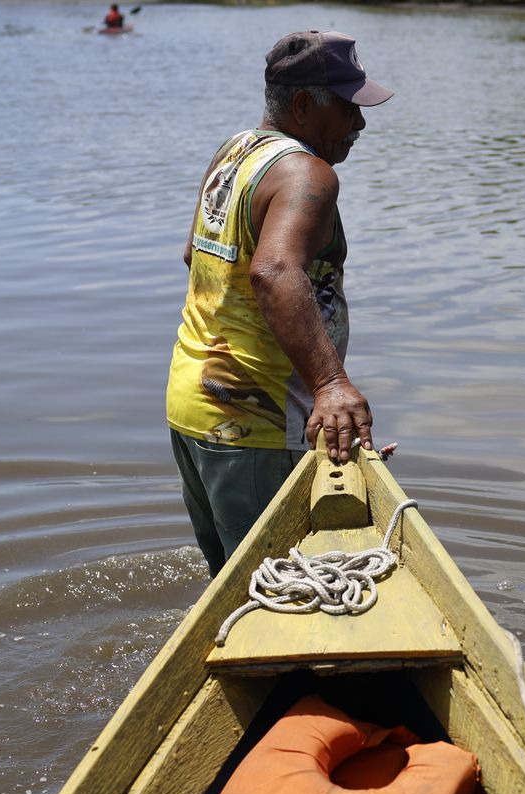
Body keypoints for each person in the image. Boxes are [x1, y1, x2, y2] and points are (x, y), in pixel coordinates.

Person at [167, 31, 394, 576]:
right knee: (280, 594)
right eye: (348, 107)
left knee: (235, 588)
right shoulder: (307, 175)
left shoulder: (236, 152)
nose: (359, 123)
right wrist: (330, 386)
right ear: (304, 105)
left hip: (194, 406)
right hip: (258, 424)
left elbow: (194, 256)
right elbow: (273, 272)